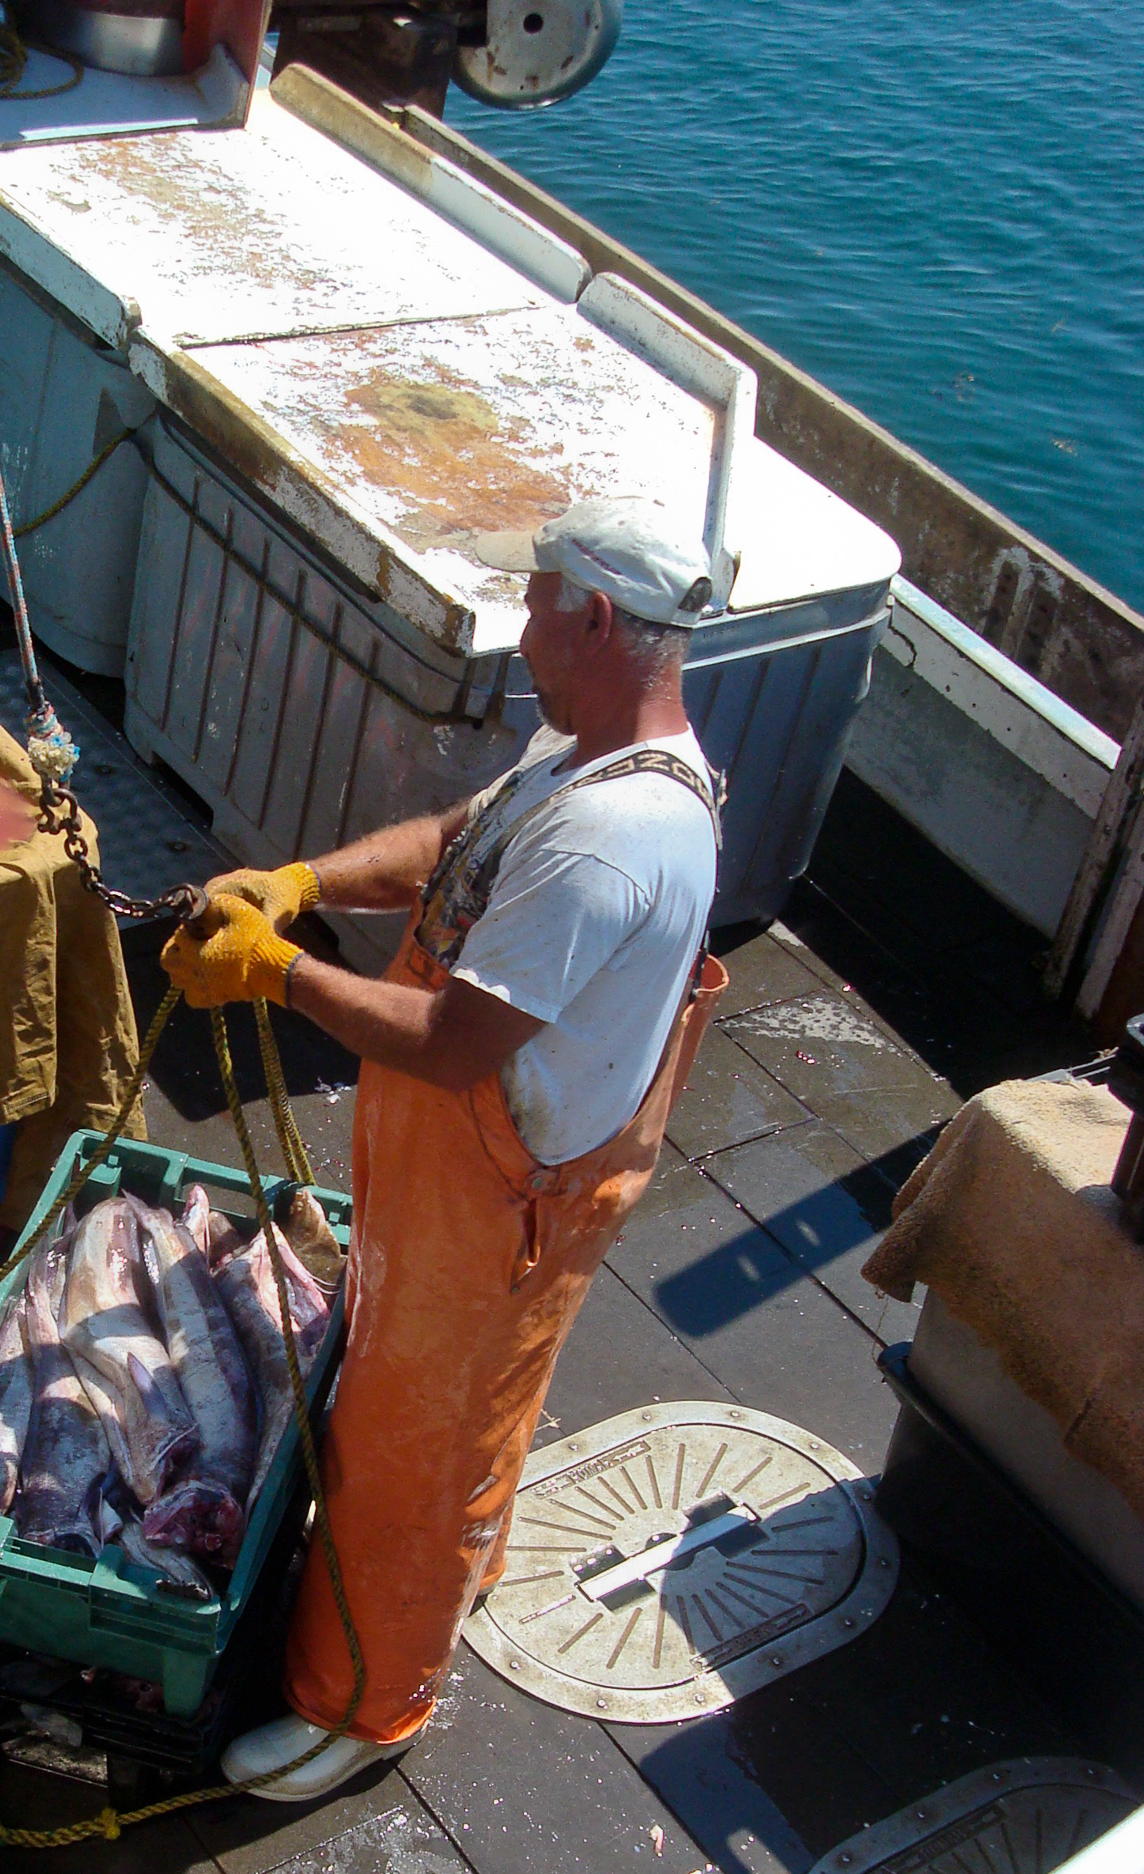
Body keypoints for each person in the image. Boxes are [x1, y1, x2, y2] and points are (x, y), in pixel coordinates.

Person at [161, 494, 730, 1802]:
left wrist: (274, 973)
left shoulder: (610, 838)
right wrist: (300, 882)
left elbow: (456, 1039)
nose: (519, 628)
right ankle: (452, 1573)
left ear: (596, 614)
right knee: (471, 1410)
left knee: (405, 1443)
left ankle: (362, 1705)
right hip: (476, 1171)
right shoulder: (586, 752)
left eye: (535, 601)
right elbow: (451, 850)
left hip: (498, 1188)